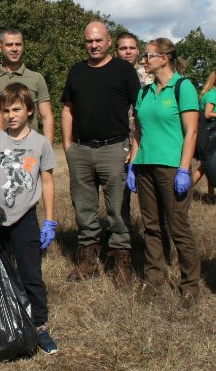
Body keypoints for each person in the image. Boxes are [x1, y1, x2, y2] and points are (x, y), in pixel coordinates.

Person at [0, 83, 59, 354]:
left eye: (17, 109)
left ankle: (39, 326)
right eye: (6, 110)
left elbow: (46, 182)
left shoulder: (40, 143)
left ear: (30, 110)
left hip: (25, 218)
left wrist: (50, 220)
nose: (11, 115)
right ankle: (1, 323)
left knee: (30, 273)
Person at [62, 21, 140, 285]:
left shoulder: (124, 70)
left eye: (98, 40)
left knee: (117, 209)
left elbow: (138, 110)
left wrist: (135, 148)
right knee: (84, 208)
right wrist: (67, 146)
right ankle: (88, 260)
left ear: (109, 41)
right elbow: (67, 108)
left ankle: (121, 263)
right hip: (81, 149)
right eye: (88, 41)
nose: (93, 45)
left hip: (114, 149)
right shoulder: (77, 71)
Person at [127, 38, 201, 308]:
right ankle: (153, 279)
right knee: (151, 227)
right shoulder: (144, 92)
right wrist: (133, 165)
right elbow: (138, 132)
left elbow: (191, 132)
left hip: (172, 167)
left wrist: (184, 169)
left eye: (148, 55)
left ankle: (190, 286)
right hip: (145, 165)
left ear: (165, 58)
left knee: (178, 227)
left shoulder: (183, 87)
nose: (144, 60)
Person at [115, 32, 173, 264]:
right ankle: (125, 250)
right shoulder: (111, 73)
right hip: (121, 144)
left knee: (160, 204)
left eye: (132, 48)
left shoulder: (150, 76)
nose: (127, 52)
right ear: (116, 51)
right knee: (122, 201)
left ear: (139, 52)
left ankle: (165, 250)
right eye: (122, 48)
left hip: (149, 145)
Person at [0, 29, 55, 144]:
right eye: (9, 45)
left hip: (31, 146)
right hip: (0, 147)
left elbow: (47, 117)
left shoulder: (36, 78)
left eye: (18, 44)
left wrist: (47, 149)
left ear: (23, 47)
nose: (14, 49)